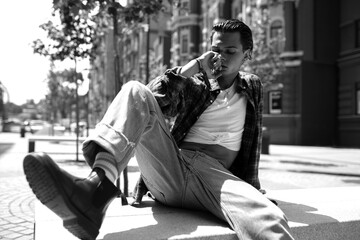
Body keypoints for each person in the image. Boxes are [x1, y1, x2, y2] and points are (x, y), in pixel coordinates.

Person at [23, 19, 294, 240]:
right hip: (170, 169)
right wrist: (193, 68)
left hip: (218, 178)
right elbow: (149, 101)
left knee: (268, 219)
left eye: (229, 52)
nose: (220, 58)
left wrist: (252, 187)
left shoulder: (252, 86)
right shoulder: (196, 83)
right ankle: (96, 190)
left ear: (247, 53)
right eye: (215, 50)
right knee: (134, 89)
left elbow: (253, 140)